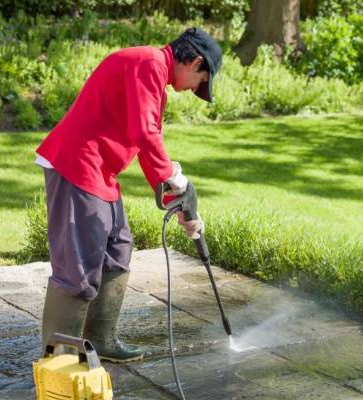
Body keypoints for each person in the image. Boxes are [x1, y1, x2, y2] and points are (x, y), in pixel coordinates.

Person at [34, 27, 222, 363]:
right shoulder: (148, 63)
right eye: (201, 79)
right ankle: (58, 360)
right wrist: (175, 178)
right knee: (78, 263)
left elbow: (147, 145)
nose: (196, 88)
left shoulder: (154, 75)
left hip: (99, 170)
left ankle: (99, 341)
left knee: (117, 248)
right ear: (193, 61)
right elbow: (145, 133)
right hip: (76, 163)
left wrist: (176, 202)